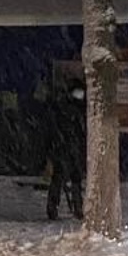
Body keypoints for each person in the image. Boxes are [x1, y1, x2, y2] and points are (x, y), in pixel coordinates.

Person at [45, 72, 86, 221]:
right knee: (59, 179)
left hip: (72, 147)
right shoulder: (63, 108)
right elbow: (57, 128)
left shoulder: (79, 108)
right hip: (63, 148)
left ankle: (77, 208)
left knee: (75, 179)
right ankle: (53, 208)